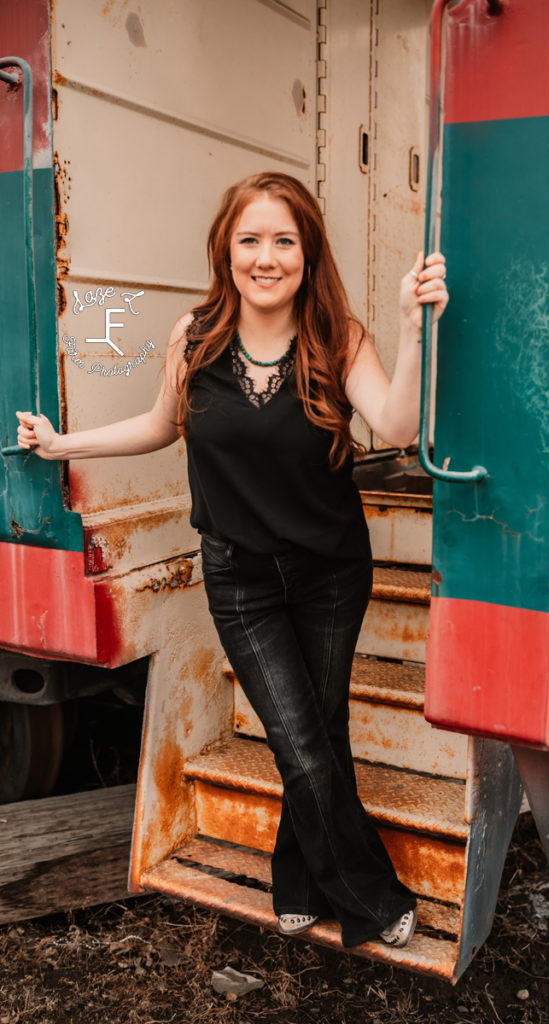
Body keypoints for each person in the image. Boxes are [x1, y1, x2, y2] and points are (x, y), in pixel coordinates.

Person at [16, 171, 448, 950]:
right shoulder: (197, 336)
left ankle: (296, 878)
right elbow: (159, 425)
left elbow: (395, 421)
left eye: (284, 239)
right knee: (298, 741)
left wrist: (415, 331)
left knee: (318, 734)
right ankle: (372, 899)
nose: (266, 256)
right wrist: (62, 444)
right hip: (241, 581)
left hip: (329, 576)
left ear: (308, 251)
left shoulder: (337, 338)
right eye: (250, 239)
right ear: (226, 249)